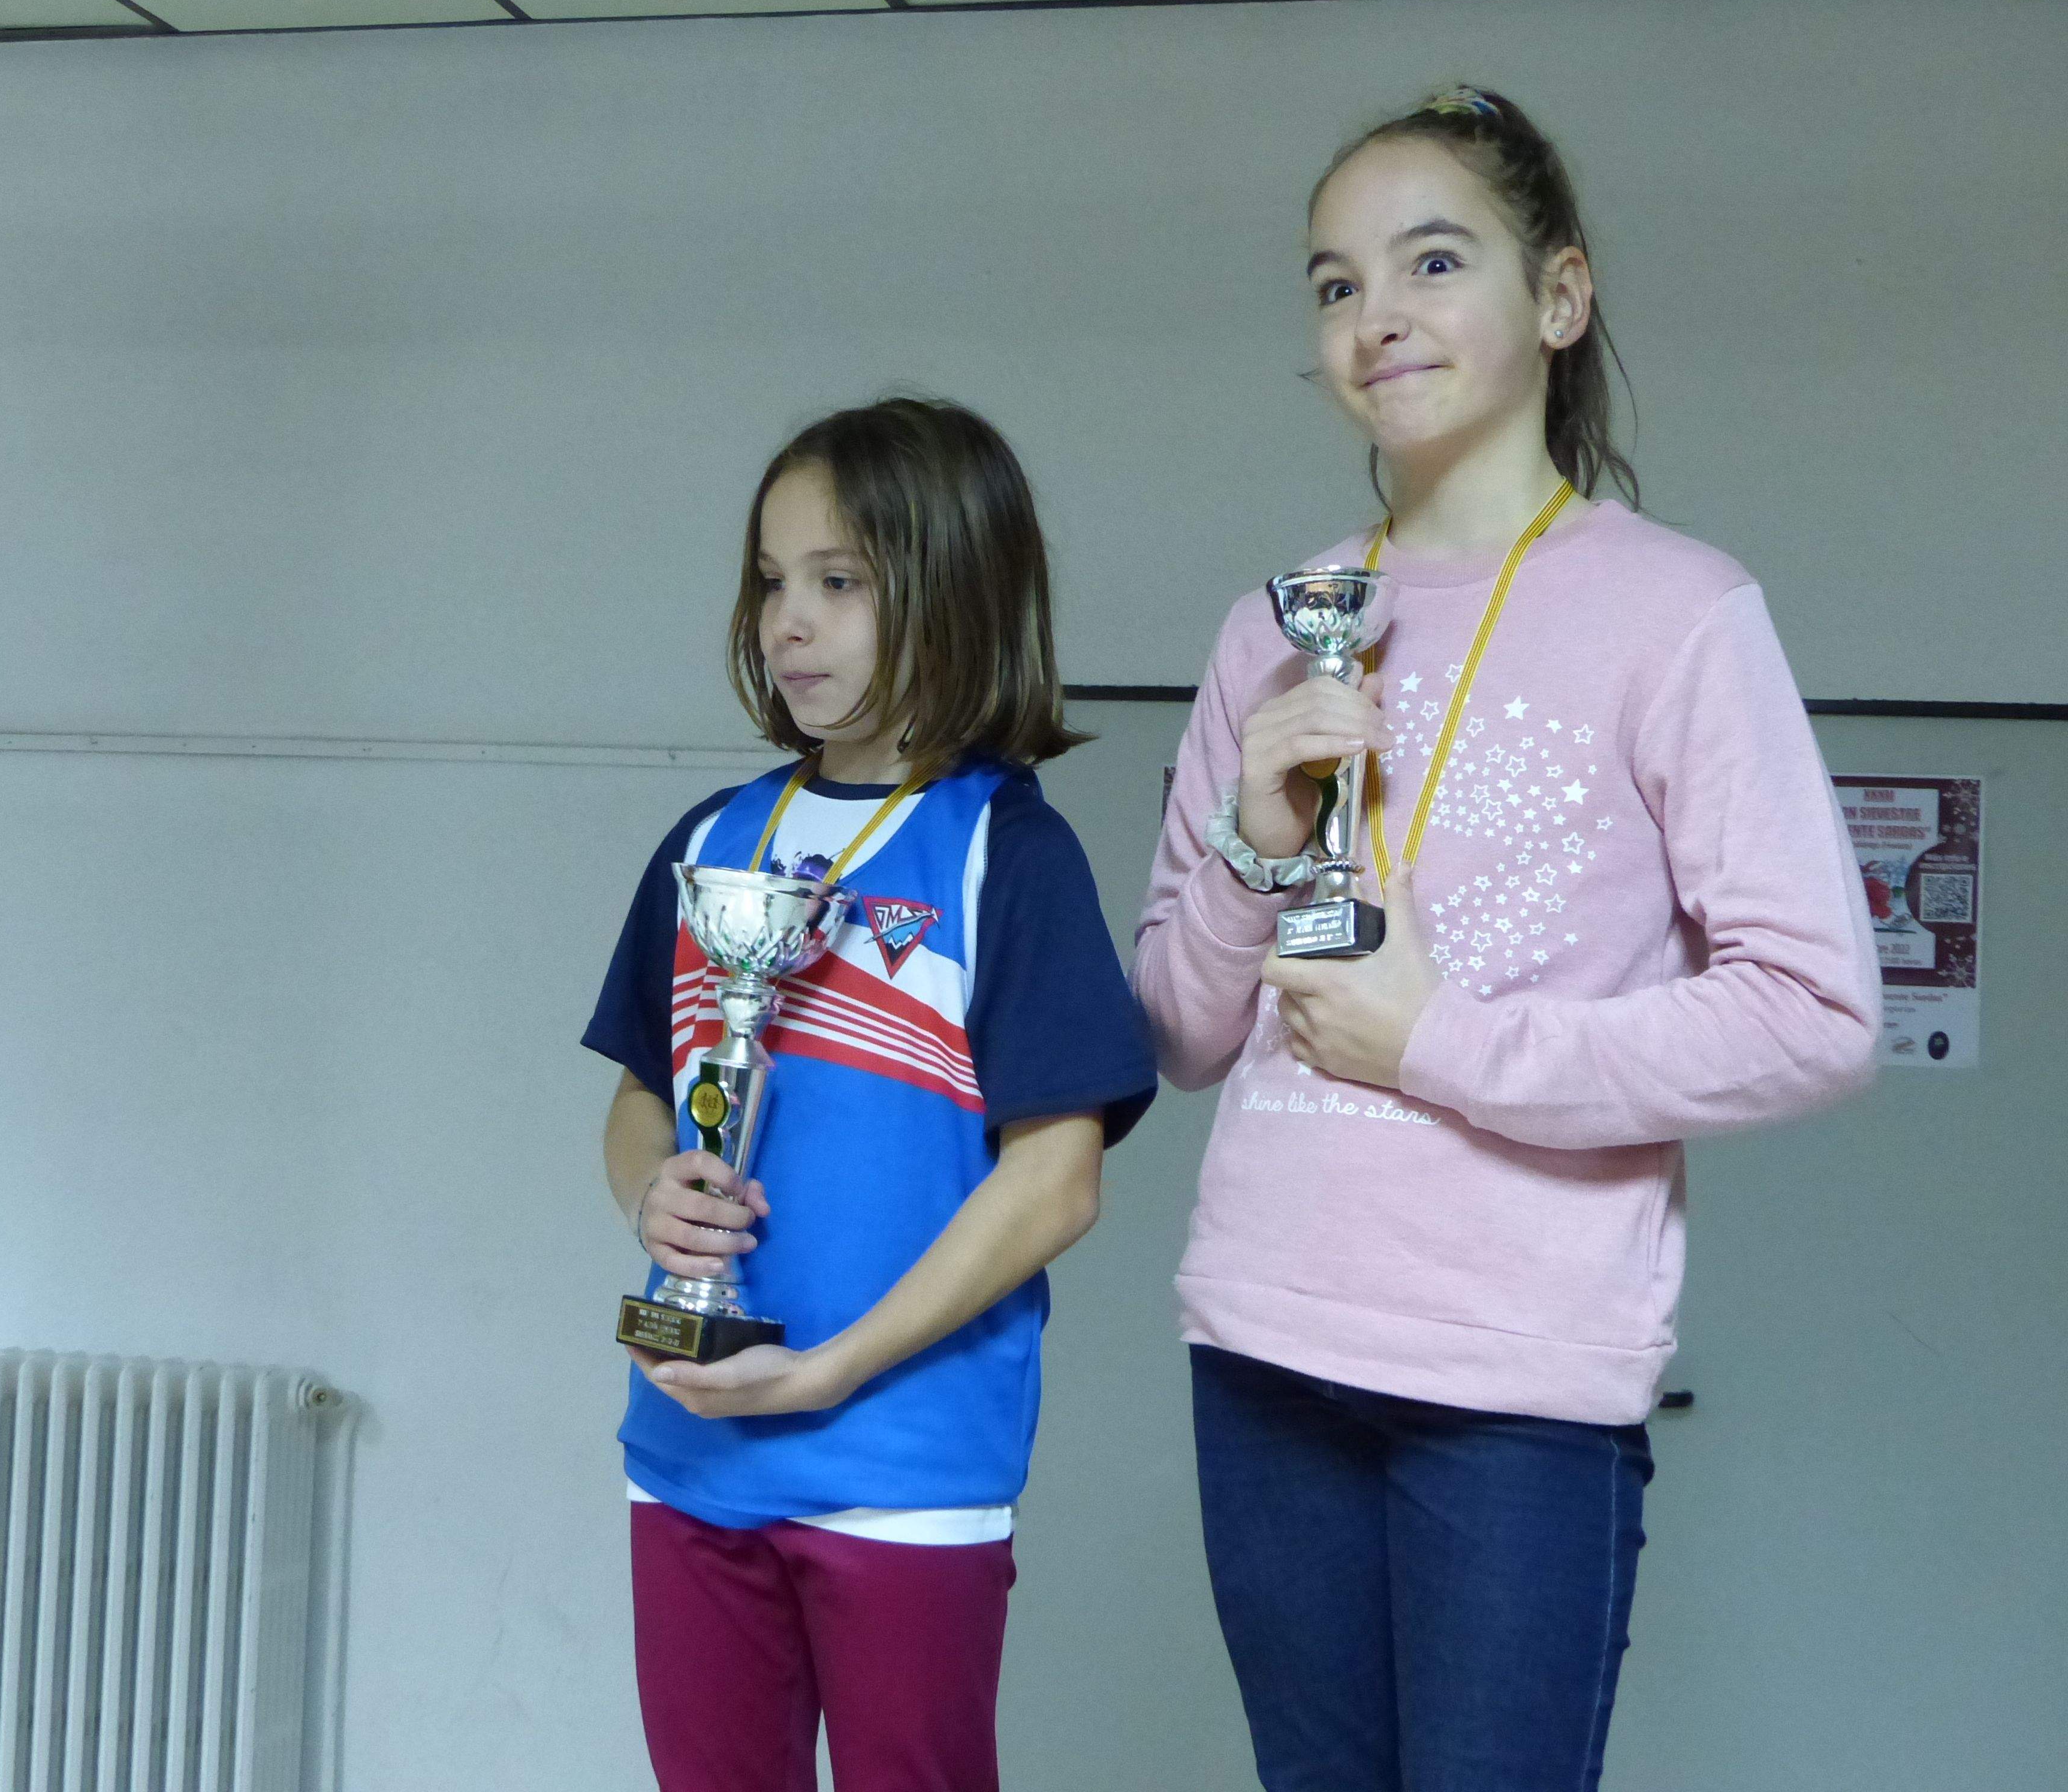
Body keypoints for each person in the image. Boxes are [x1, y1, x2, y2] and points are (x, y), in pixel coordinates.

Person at [1134, 88, 1879, 1792]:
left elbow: (1816, 1014)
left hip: (1517, 1381)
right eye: (1334, 285)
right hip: (1265, 1347)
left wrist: (1442, 1043)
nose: (1376, 315)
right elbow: (1177, 1032)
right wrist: (1256, 839)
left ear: (1560, 296)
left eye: (1432, 260)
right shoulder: (1274, 625)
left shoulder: (1680, 612)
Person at [583, 396, 1156, 1792]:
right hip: (690, 1446)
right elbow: (640, 1103)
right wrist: (650, 1194)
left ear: (952, 588)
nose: (790, 622)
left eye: (838, 583)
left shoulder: (1003, 854)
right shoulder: (714, 839)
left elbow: (1056, 1179)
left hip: (899, 1469)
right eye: (773, 583)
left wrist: (837, 1368)